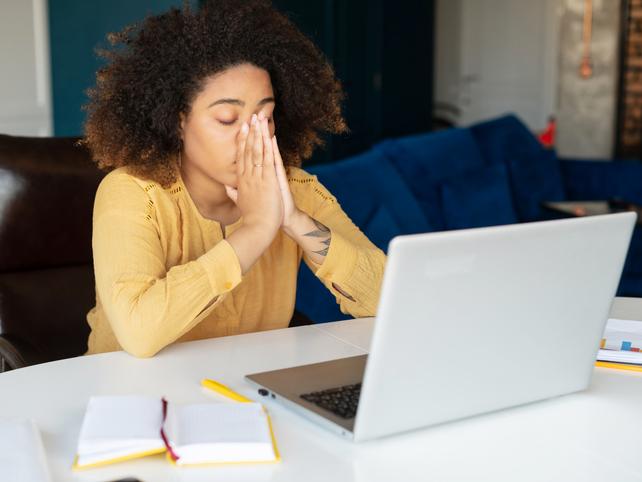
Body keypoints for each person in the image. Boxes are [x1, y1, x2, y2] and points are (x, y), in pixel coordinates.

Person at [80, 0, 386, 357]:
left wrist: (294, 221)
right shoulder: (132, 192)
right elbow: (139, 333)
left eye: (265, 116)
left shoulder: (293, 189)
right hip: (133, 399)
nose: (253, 136)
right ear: (178, 120)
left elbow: (388, 299)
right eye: (228, 118)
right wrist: (255, 230)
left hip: (246, 394)